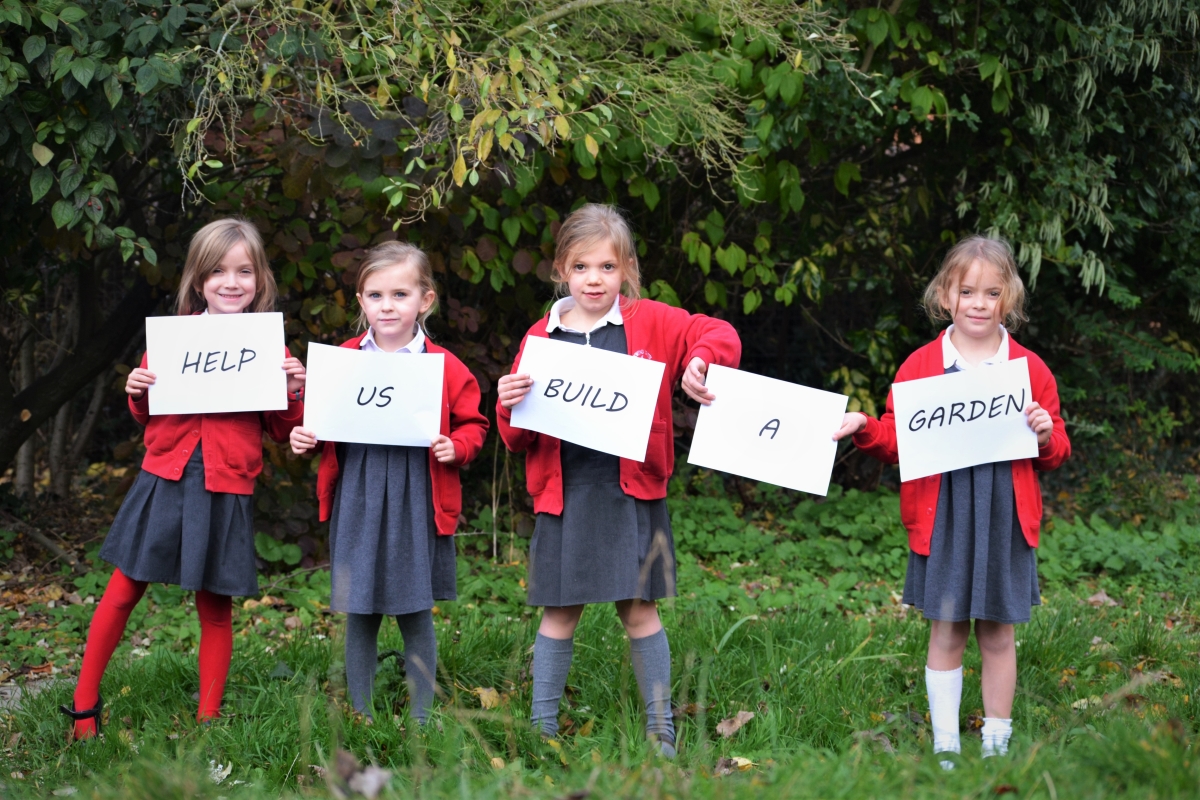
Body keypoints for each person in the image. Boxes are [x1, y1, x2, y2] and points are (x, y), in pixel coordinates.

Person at [496, 204, 741, 757]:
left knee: (639, 609)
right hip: (567, 494)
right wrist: (507, 406)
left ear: (626, 269)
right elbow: (516, 439)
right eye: (582, 267)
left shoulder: (651, 321)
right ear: (562, 268)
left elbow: (718, 332)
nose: (594, 280)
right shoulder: (541, 337)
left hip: (630, 492)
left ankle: (661, 732)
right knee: (560, 611)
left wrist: (700, 360)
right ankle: (542, 732)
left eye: (607, 267)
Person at [62, 218, 306, 739]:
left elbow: (282, 429)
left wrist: (296, 390)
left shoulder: (270, 347)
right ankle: (84, 708)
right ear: (199, 281)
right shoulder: (172, 340)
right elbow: (147, 414)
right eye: (217, 271)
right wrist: (137, 387)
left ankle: (209, 718)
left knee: (215, 604)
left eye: (244, 271)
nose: (231, 282)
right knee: (123, 590)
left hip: (227, 484)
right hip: (166, 477)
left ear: (259, 280)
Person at [833, 235, 1070, 766]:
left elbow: (1055, 449)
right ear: (946, 296)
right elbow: (899, 438)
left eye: (991, 293)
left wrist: (1044, 434)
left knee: (997, 631)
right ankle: (945, 747)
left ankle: (995, 744)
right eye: (968, 292)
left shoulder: (1030, 370)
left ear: (1009, 299)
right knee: (946, 629)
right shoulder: (920, 366)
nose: (979, 304)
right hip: (943, 516)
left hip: (1002, 515)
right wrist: (865, 428)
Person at [290, 241, 488, 724]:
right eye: (376, 295)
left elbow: (475, 424)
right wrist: (302, 434)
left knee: (415, 609)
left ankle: (420, 718)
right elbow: (317, 422)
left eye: (400, 294)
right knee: (361, 610)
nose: (387, 305)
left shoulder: (444, 366)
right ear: (361, 302)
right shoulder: (343, 360)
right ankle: (362, 713)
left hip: (417, 496)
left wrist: (457, 447)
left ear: (425, 300)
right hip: (359, 493)